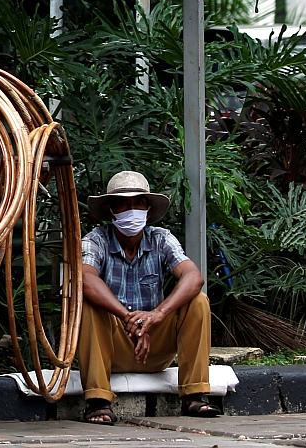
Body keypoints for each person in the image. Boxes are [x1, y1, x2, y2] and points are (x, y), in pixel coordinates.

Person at [78, 169, 215, 424]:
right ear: (111, 210)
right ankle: (98, 401)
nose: (131, 209)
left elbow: (193, 276)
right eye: (123, 203)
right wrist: (127, 316)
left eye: (138, 203)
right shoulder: (96, 240)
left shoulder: (161, 238)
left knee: (198, 301)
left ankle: (195, 395)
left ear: (148, 209)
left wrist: (157, 314)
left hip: (155, 344)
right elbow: (86, 279)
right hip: (114, 346)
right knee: (89, 304)